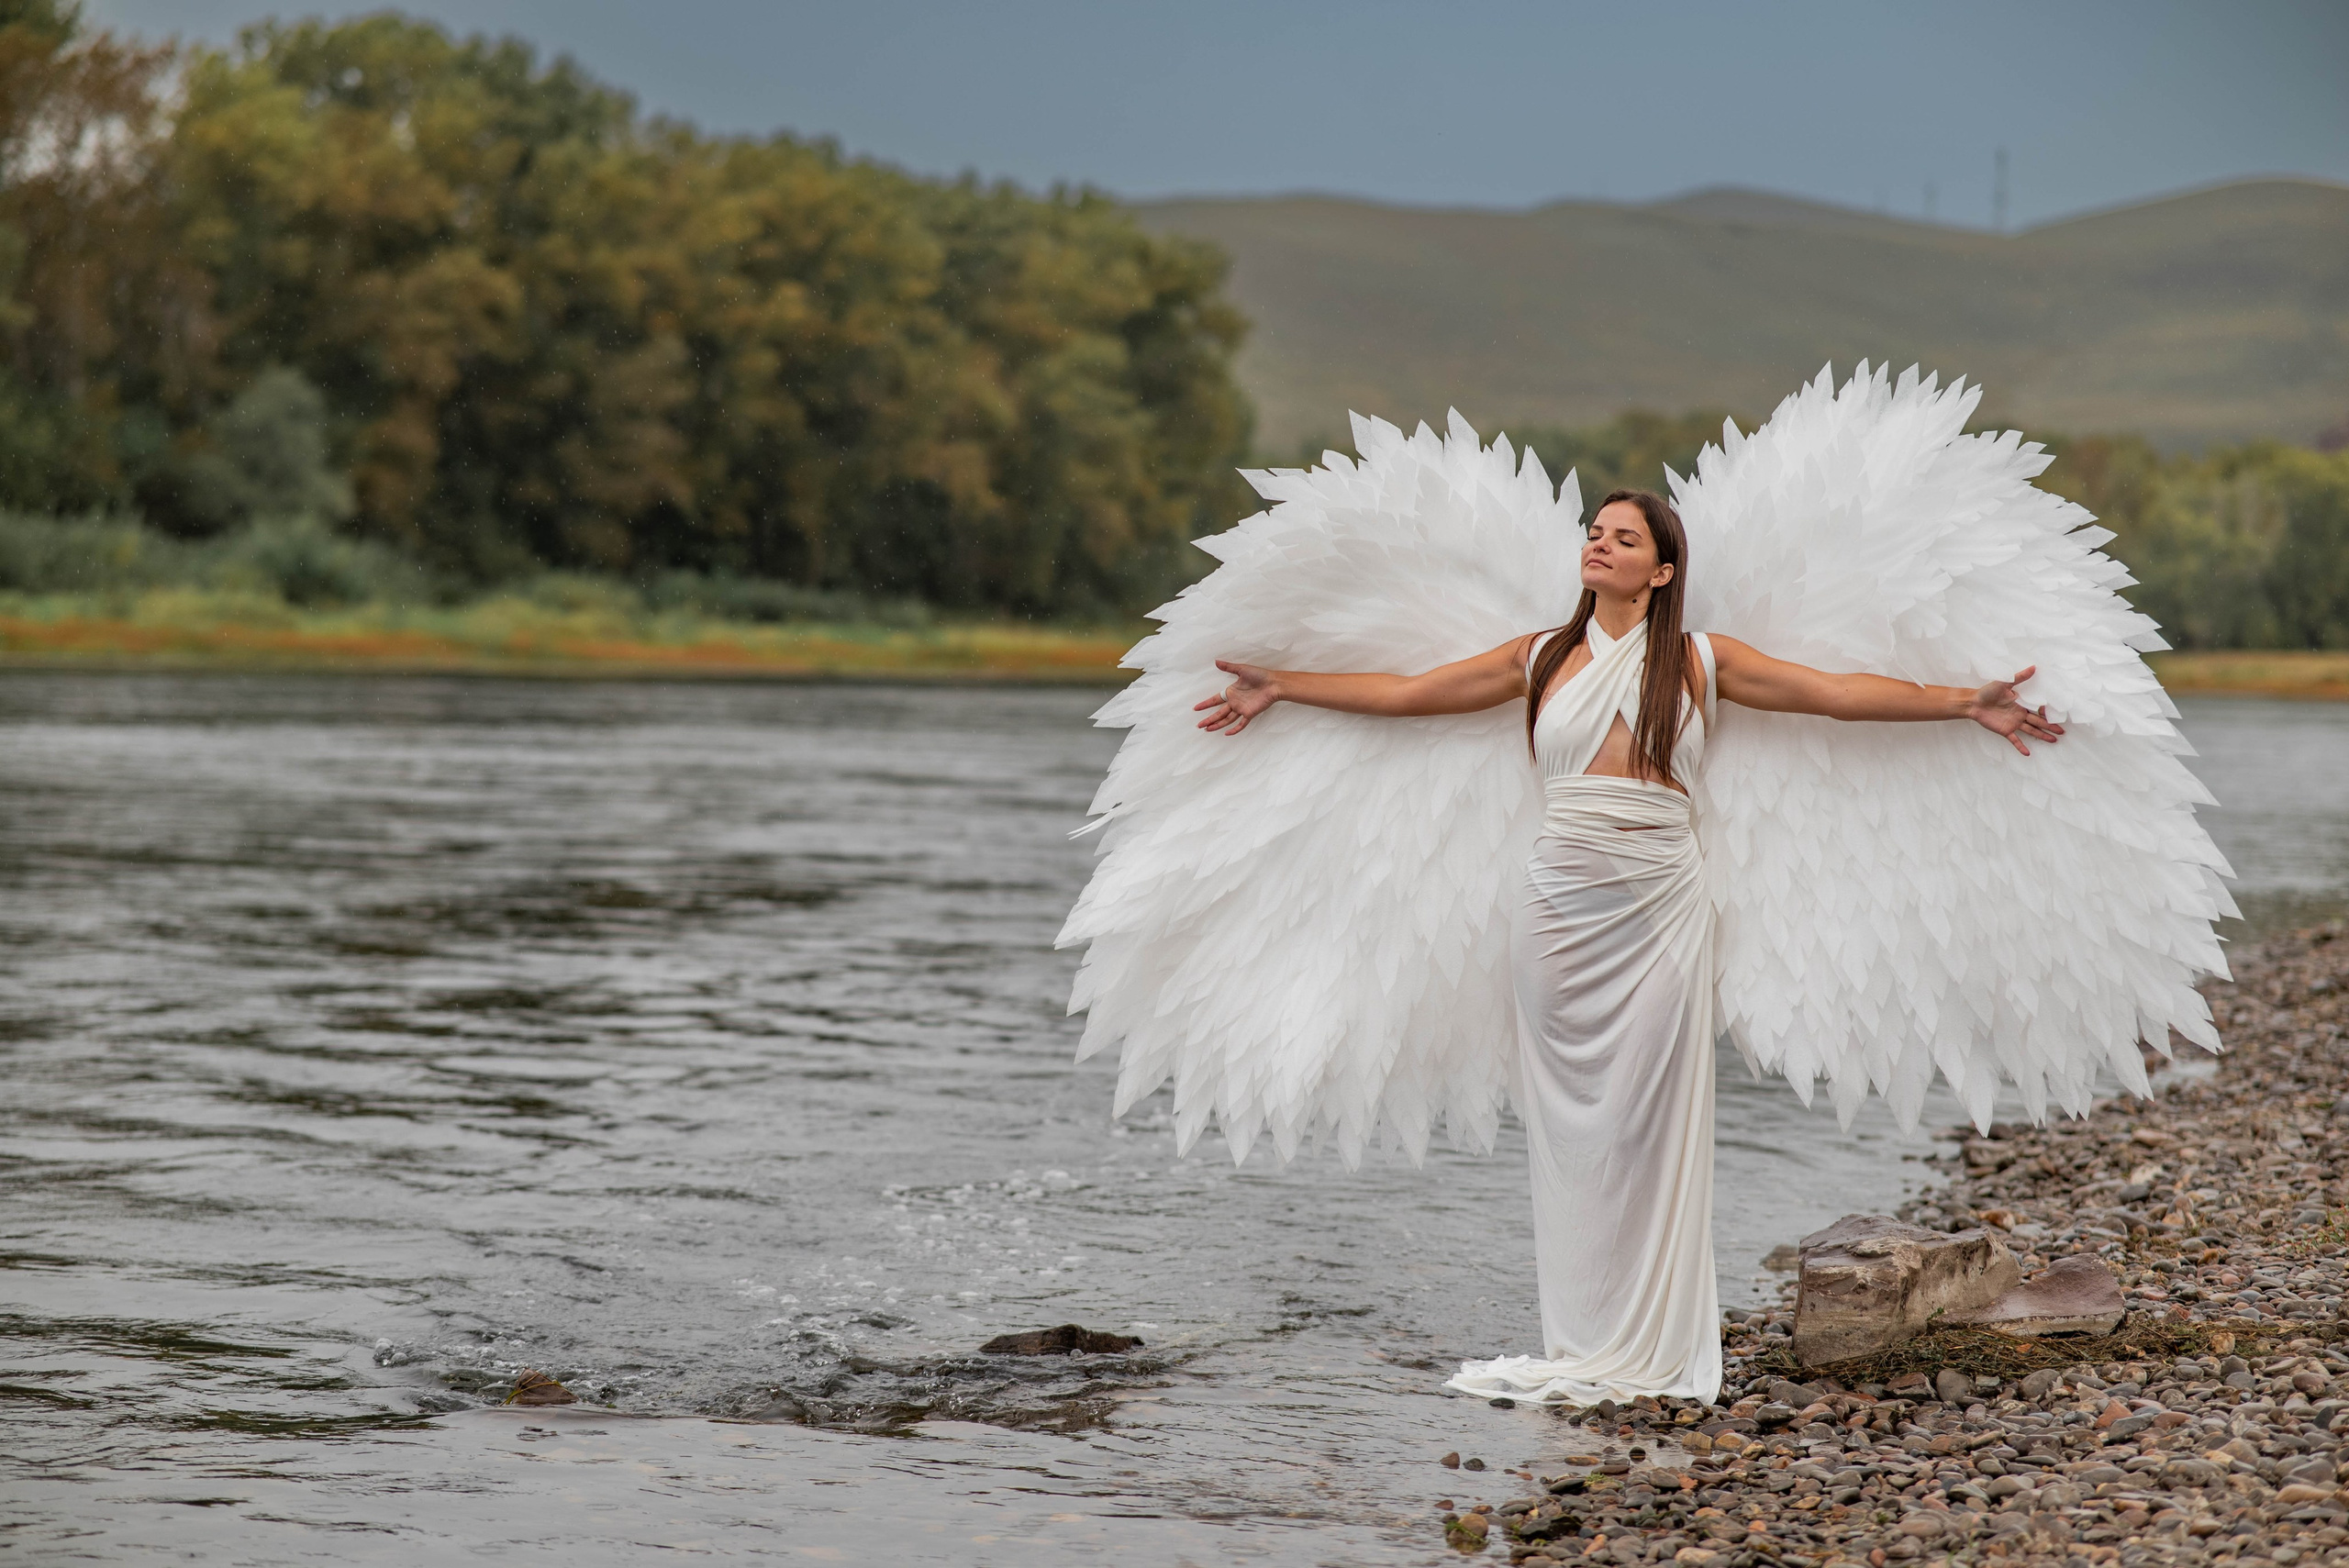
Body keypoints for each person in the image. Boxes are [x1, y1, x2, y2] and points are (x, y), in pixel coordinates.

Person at [1186, 487, 2062, 1405]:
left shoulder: (1696, 660)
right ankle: (1585, 1328)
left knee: (1644, 1121)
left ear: (1663, 568)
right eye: (1594, 534)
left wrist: (1967, 701)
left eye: (1623, 537)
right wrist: (1283, 685)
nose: (1598, 546)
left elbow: (1835, 695)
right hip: (1558, 905)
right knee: (1572, 1128)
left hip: (1660, 908)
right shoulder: (1541, 656)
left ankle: (1649, 1337)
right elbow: (1409, 694)